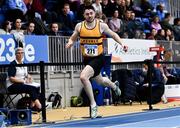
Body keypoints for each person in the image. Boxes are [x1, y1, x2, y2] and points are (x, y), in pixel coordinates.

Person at [66, 5, 128, 119]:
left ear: (94, 13)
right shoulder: (79, 26)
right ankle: (114, 86)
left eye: (91, 13)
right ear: (83, 15)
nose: (89, 15)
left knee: (83, 77)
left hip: (98, 58)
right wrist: (70, 42)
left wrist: (122, 43)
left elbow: (113, 34)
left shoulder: (101, 25)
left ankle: (93, 105)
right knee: (99, 80)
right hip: (87, 59)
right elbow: (73, 37)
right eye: (87, 14)